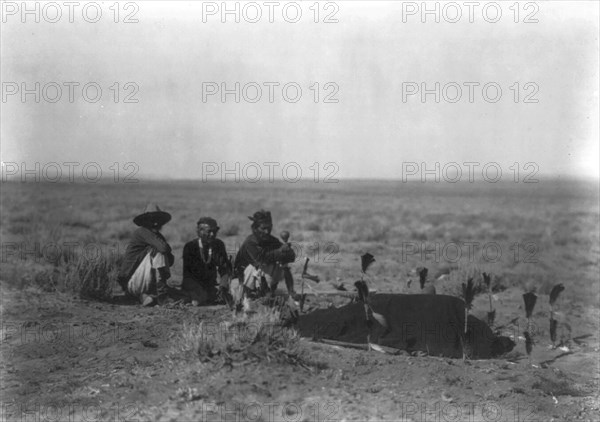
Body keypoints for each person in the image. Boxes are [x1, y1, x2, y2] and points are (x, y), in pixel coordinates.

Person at [117, 204, 175, 306]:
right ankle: (162, 296)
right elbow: (164, 249)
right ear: (146, 220)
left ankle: (147, 296)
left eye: (158, 219)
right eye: (152, 219)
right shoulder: (142, 232)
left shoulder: (157, 236)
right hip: (132, 280)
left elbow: (171, 260)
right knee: (159, 253)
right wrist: (162, 247)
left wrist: (161, 247)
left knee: (158, 253)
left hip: (142, 281)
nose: (156, 222)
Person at [233, 210, 296, 300]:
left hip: (262, 281)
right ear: (255, 228)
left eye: (269, 228)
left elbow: (291, 257)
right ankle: (251, 296)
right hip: (242, 282)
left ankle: (290, 292)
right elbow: (261, 259)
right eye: (263, 228)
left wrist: (288, 250)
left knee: (282, 263)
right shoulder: (250, 242)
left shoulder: (272, 240)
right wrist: (279, 251)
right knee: (258, 266)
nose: (267, 231)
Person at [182, 217, 232, 306]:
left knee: (229, 298)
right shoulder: (190, 246)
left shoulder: (218, 245)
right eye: (209, 231)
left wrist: (223, 286)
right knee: (197, 302)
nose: (212, 234)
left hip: (210, 285)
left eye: (214, 231)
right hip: (193, 283)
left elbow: (224, 269)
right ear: (200, 232)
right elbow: (187, 275)